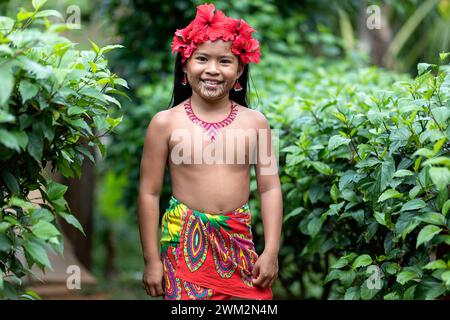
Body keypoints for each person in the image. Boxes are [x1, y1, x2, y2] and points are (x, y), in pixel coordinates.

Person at [138, 3, 283, 300]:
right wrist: (152, 261)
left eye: (225, 61)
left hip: (240, 248)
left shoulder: (256, 123)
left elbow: (269, 189)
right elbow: (149, 193)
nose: (213, 70)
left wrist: (271, 251)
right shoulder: (164, 123)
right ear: (185, 65)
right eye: (202, 58)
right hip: (184, 250)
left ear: (240, 69)